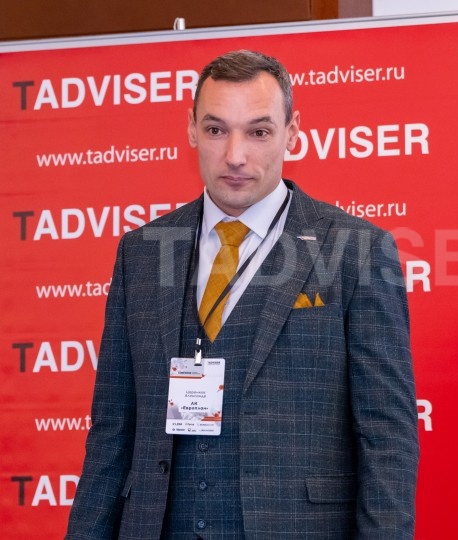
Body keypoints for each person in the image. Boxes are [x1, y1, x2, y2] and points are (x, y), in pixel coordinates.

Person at [65, 50, 419, 539]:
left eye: (258, 132)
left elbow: (388, 437)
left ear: (292, 132)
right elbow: (111, 432)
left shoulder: (356, 250)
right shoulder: (141, 252)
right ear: (191, 129)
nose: (235, 155)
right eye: (216, 130)